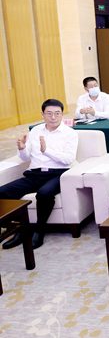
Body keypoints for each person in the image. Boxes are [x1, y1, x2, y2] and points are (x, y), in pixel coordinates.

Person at [0, 99, 78, 250]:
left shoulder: (70, 133)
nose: (53, 117)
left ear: (62, 114)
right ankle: (21, 228)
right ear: (42, 114)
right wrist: (22, 149)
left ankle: (39, 230)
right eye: (49, 113)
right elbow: (25, 158)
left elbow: (68, 159)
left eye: (57, 113)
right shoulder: (35, 131)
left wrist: (46, 150)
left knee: (44, 193)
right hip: (34, 174)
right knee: (2, 192)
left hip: (58, 174)